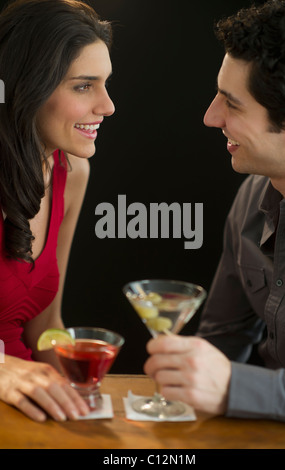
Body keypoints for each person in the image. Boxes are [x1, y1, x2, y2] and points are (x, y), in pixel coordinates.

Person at [144, 0, 285, 425]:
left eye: (232, 103)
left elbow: (227, 377)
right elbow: (222, 343)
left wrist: (235, 387)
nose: (211, 117)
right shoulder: (252, 199)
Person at [0, 0, 115, 422]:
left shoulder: (73, 171)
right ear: (28, 85)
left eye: (105, 84)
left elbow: (44, 324)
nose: (107, 106)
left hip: (26, 406)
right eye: (84, 86)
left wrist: (77, 383)